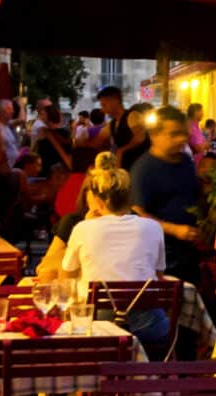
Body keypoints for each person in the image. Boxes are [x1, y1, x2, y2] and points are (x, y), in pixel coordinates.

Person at [56, 153, 172, 358]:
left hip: (99, 326)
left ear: (98, 201)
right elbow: (158, 275)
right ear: (129, 198)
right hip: (149, 325)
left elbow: (65, 280)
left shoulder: (82, 229)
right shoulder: (153, 228)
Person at [129, 105, 206, 281]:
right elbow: (138, 213)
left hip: (189, 250)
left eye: (184, 134)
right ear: (154, 135)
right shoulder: (144, 169)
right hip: (163, 255)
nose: (181, 139)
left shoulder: (186, 161)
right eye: (174, 134)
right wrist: (174, 230)